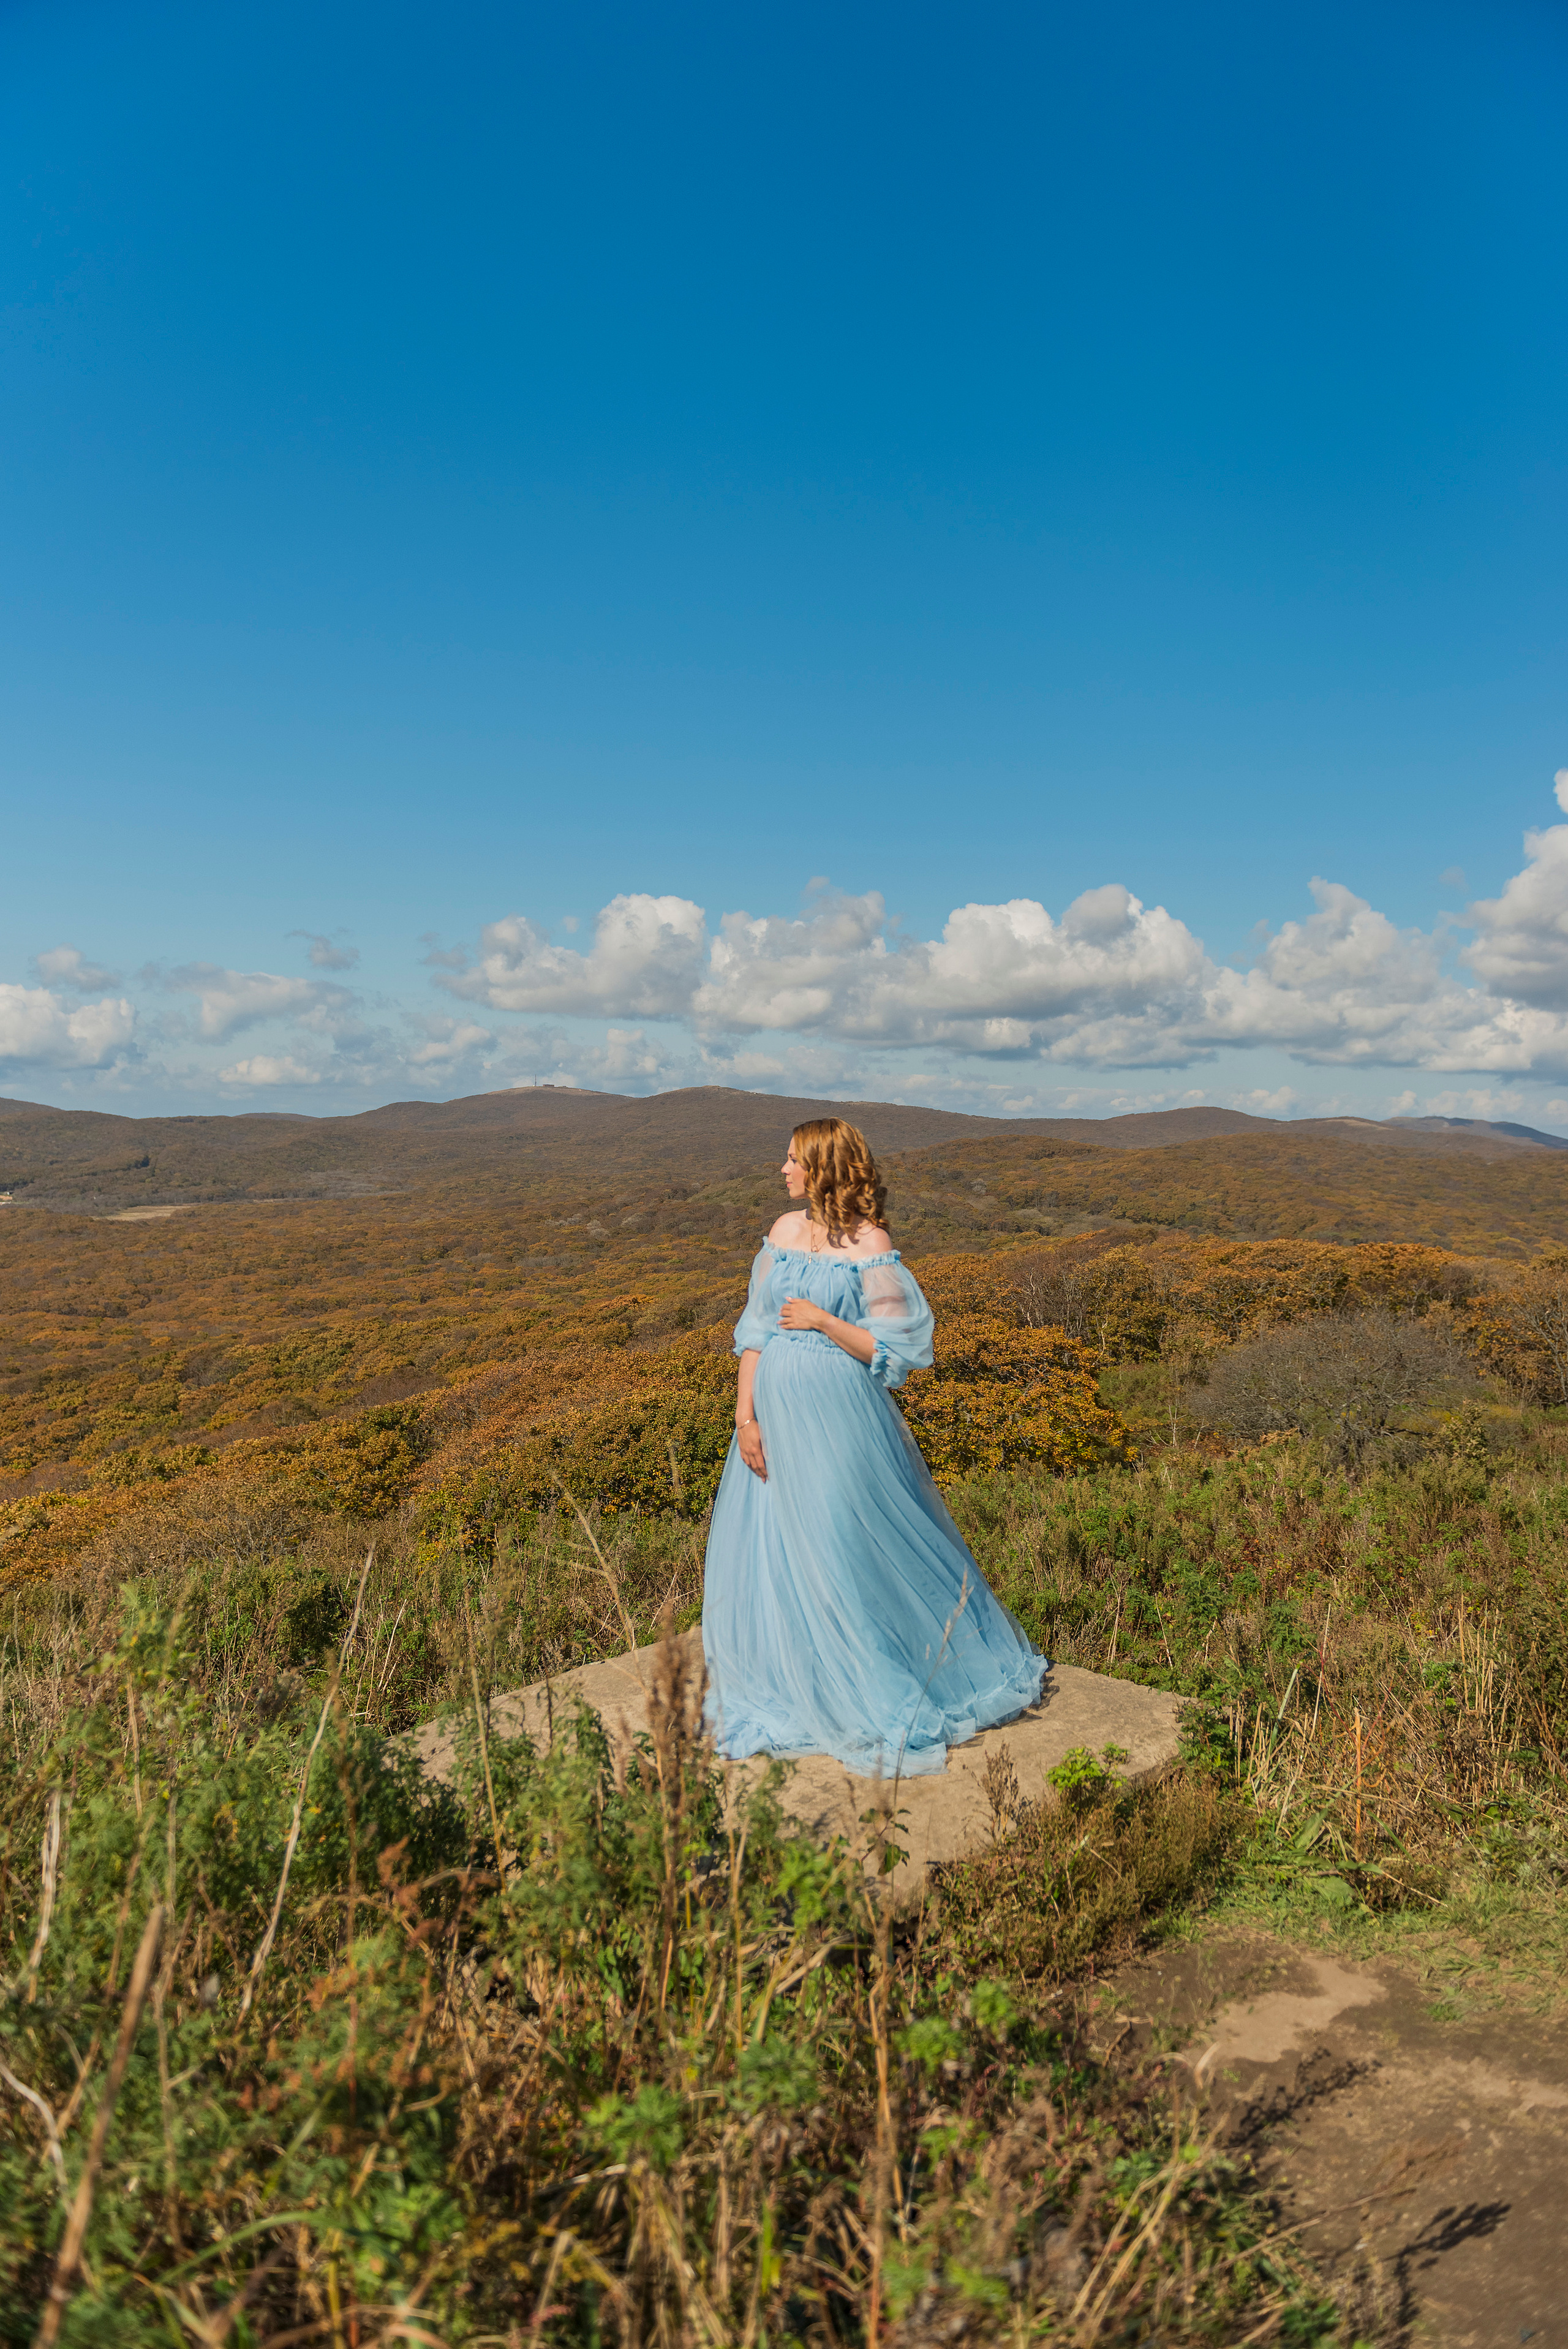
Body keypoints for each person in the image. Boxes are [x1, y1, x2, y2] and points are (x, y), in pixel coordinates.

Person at [701, 1116, 1047, 1777]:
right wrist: (744, 1417)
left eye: (792, 1159)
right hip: (772, 1410)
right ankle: (800, 1675)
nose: (782, 1170)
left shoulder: (870, 1244)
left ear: (823, 1167)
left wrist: (827, 1320)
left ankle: (869, 1678)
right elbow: (754, 1331)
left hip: (838, 1413)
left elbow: (896, 1351)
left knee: (839, 1538)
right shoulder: (781, 1232)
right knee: (775, 1544)